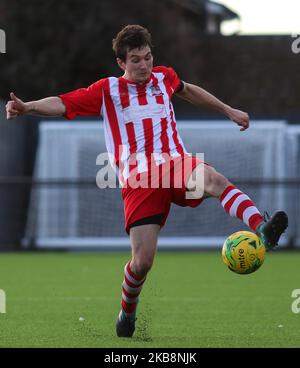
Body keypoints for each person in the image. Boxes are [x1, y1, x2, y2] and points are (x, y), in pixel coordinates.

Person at [6, 24, 288, 338]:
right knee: (141, 263)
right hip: (139, 181)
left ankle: (261, 226)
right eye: (136, 60)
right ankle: (127, 313)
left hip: (176, 165)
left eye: (148, 57)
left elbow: (188, 89)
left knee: (213, 179)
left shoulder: (164, 78)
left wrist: (227, 109)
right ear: (121, 63)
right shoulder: (107, 90)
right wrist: (28, 107)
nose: (145, 65)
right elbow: (62, 102)